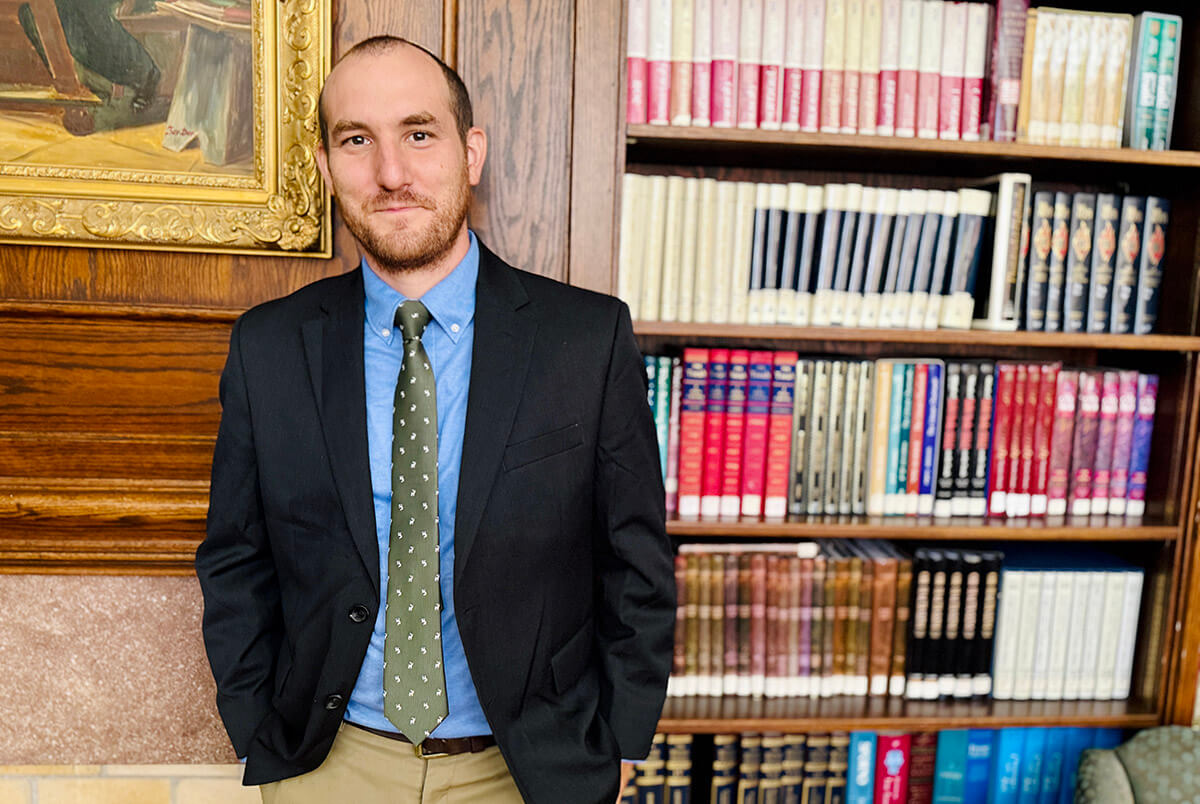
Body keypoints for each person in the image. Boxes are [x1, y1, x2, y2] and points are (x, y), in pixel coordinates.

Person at [195, 35, 675, 804]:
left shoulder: (586, 339)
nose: (391, 173)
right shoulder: (269, 347)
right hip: (331, 767)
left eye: (419, 134)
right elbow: (235, 561)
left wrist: (617, 744)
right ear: (325, 168)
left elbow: (636, 566)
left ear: (471, 152)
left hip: (529, 770)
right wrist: (257, 725)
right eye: (357, 141)